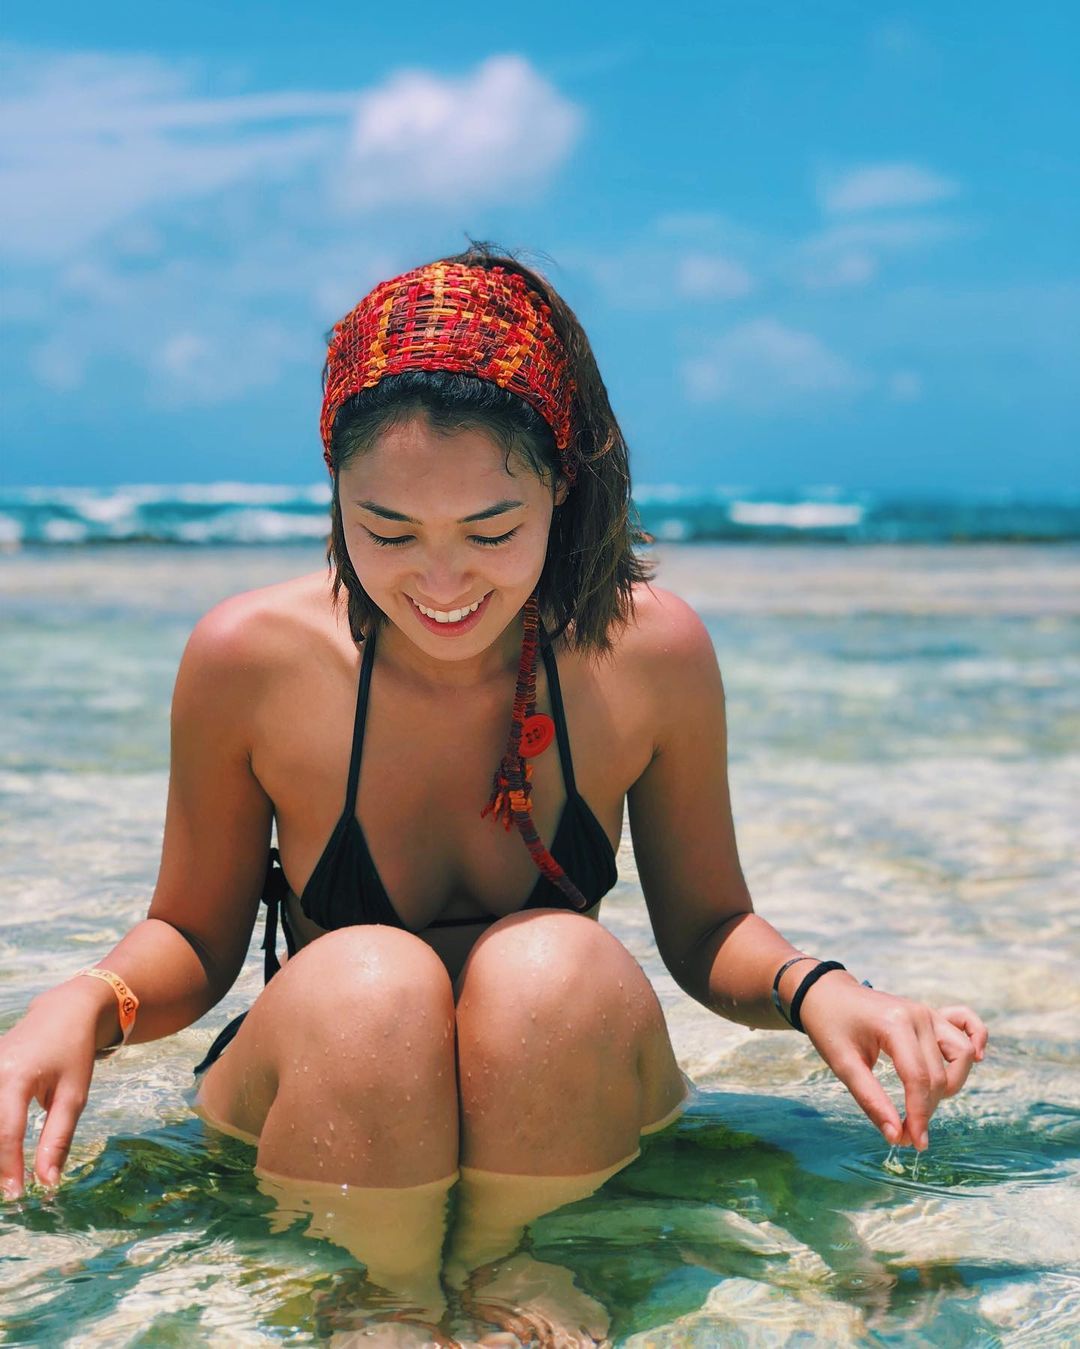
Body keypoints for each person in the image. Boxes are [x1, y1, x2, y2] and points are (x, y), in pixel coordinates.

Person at [0, 243, 987, 1307]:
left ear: (562, 483)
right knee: (370, 979)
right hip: (338, 1085)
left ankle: (525, 1267)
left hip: (561, 1086)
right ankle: (378, 1296)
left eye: (491, 529)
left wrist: (822, 989)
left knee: (555, 963)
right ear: (334, 489)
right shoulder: (251, 658)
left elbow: (706, 927)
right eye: (386, 528)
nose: (439, 580)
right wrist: (88, 1000)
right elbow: (195, 936)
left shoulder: (648, 652)